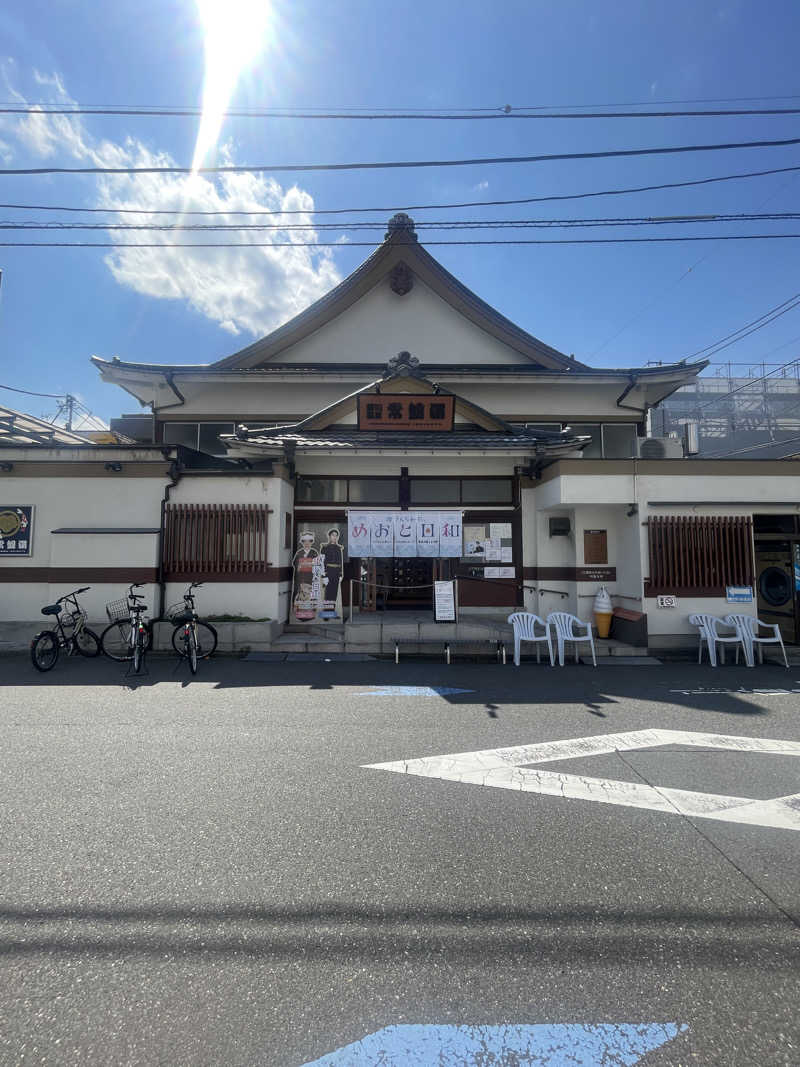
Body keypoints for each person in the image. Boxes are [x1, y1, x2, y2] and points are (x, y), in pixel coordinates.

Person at [291, 532, 319, 621]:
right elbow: (294, 563)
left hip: (311, 578)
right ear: (302, 542)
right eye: (304, 541)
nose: (307, 543)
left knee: (310, 596)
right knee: (300, 596)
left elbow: (318, 565)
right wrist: (299, 566)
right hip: (300, 578)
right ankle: (300, 614)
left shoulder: (314, 552)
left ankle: (310, 614)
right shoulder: (299, 552)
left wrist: (313, 565)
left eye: (309, 541)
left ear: (312, 542)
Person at [319, 527, 344, 619]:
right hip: (328, 571)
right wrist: (324, 575)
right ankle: (326, 613)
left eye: (336, 536)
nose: (335, 537)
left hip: (336, 572)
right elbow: (321, 562)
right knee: (328, 593)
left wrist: (340, 574)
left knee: (334, 593)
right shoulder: (324, 548)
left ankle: (332, 612)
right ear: (329, 536)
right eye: (333, 535)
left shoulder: (338, 548)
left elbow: (340, 561)